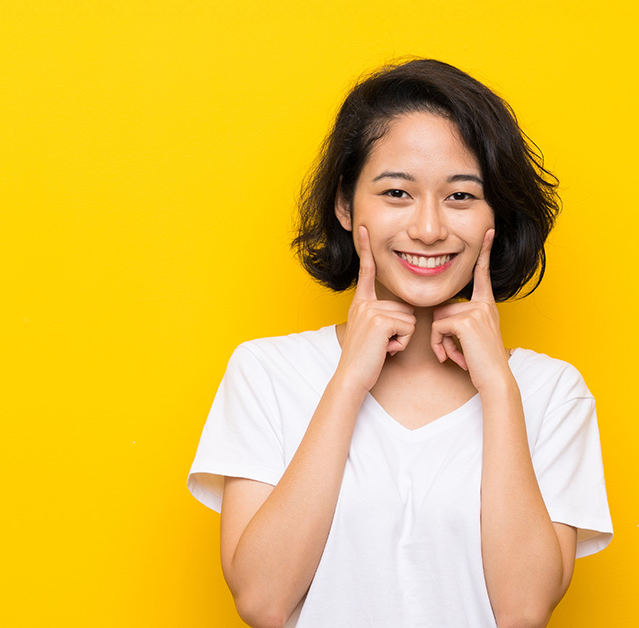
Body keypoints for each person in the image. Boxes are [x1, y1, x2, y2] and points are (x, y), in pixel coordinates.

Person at [187, 58, 612, 628]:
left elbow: (524, 612)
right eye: (397, 193)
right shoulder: (266, 373)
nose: (430, 228)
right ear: (345, 204)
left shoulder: (549, 392)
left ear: (496, 215)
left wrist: (497, 389)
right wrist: (348, 382)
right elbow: (262, 602)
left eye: (461, 196)